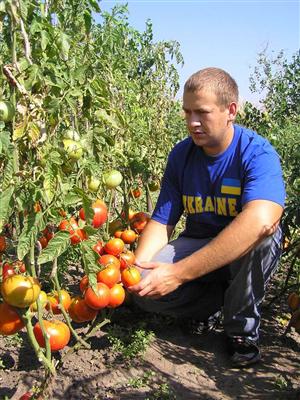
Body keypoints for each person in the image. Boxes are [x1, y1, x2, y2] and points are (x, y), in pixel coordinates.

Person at [129, 67, 285, 368]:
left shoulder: (256, 153)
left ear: (231, 111)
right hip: (199, 243)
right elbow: (163, 222)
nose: (192, 122)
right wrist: (135, 272)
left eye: (201, 112)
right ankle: (211, 305)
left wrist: (177, 274)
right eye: (187, 113)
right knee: (145, 289)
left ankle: (241, 330)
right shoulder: (182, 155)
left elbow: (261, 220)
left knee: (264, 236)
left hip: (244, 250)